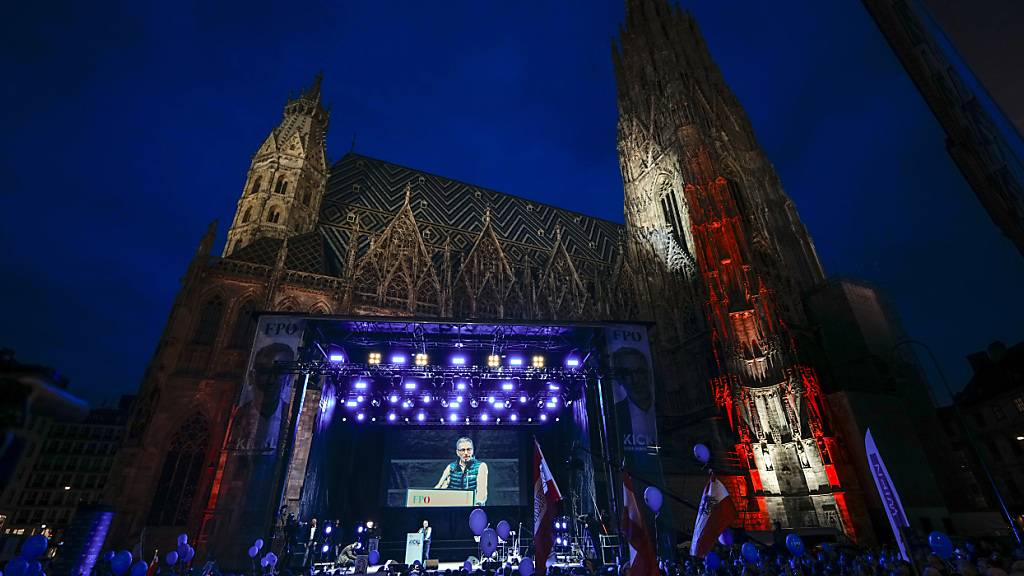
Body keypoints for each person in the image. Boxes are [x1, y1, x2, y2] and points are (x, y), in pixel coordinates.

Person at [434, 437, 489, 506]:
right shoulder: (450, 467)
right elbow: (438, 488)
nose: (466, 453)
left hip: (472, 506)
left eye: (468, 449)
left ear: (473, 451)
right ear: (457, 452)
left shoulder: (481, 466)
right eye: (462, 450)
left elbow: (482, 492)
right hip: (453, 506)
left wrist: (477, 504)